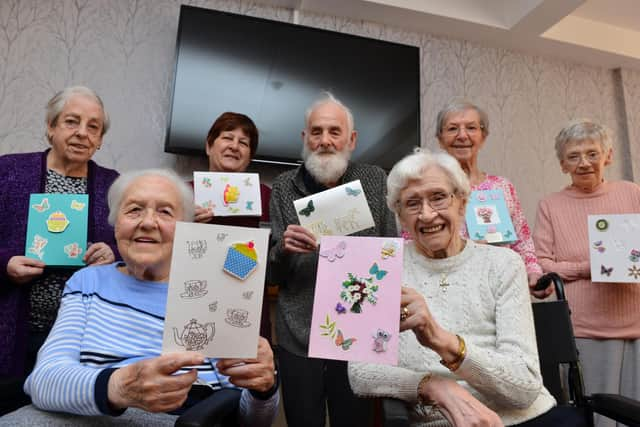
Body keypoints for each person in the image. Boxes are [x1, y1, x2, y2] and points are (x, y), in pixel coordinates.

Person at [2, 169, 279, 426]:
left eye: (165, 212)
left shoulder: (216, 292)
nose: (148, 222)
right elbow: (43, 381)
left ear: (187, 228)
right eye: (134, 210)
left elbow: (252, 420)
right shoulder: (88, 281)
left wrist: (264, 390)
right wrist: (122, 387)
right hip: (87, 414)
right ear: (115, 224)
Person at [348, 148, 562, 426]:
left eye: (438, 197)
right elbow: (361, 373)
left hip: (522, 419)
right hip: (440, 420)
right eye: (412, 203)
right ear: (399, 214)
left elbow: (523, 389)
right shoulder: (377, 267)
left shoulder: (504, 264)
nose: (426, 215)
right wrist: (432, 386)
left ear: (462, 202)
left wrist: (442, 341)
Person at [268, 93, 397, 427]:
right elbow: (272, 273)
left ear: (351, 139)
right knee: (303, 420)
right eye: (316, 131)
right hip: (299, 331)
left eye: (334, 132)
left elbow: (390, 251)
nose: (325, 140)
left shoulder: (374, 179)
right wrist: (283, 248)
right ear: (305, 138)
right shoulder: (283, 186)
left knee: (354, 420)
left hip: (358, 327)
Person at [0, 86, 119, 415]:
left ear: (100, 139)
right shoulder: (8, 172)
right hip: (11, 331)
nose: (82, 133)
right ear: (51, 127)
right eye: (71, 121)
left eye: (93, 126)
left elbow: (132, 247)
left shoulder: (113, 185)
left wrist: (112, 252)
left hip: (79, 343)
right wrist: (5, 264)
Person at [533, 119, 640, 427]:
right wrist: (589, 267)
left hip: (636, 324)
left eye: (592, 154)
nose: (584, 163)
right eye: (573, 156)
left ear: (608, 156)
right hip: (585, 329)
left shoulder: (631, 193)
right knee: (598, 417)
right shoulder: (550, 205)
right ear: (562, 164)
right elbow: (542, 264)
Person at [434, 100, 544, 294]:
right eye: (452, 129)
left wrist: (533, 272)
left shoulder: (502, 186)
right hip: (450, 289)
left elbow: (523, 241)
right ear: (440, 139)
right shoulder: (430, 189)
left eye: (471, 128)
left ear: (483, 136)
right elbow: (413, 244)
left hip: (503, 289)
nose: (462, 135)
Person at [193, 111, 273, 341]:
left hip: (247, 303)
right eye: (227, 138)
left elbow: (275, 252)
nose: (234, 146)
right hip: (195, 298)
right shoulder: (183, 193)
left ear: (249, 156)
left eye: (243, 143)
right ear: (209, 146)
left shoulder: (265, 195)